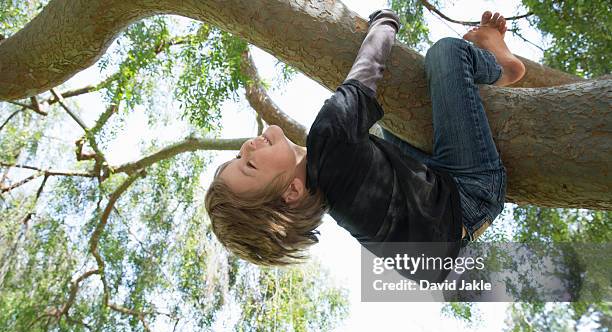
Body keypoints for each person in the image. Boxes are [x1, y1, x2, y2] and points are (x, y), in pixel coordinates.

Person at [204, 9, 526, 281]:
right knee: (446, 54)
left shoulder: (333, 193)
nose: (247, 147)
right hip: (471, 193)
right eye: (249, 164)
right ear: (291, 192)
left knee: (391, 124)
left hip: (440, 217)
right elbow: (366, 72)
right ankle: (501, 66)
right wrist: (384, 20)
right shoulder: (329, 145)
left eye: (238, 154)